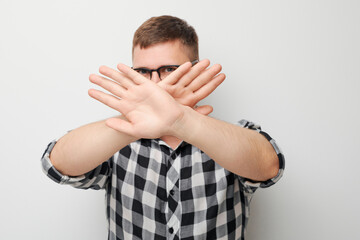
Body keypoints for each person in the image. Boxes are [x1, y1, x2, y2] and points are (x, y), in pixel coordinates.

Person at [41, 15, 285, 240]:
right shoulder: (116, 142)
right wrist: (130, 122)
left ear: (196, 69)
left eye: (169, 69)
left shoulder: (229, 137)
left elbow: (269, 166)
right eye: (143, 72)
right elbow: (56, 165)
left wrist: (180, 120)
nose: (156, 84)